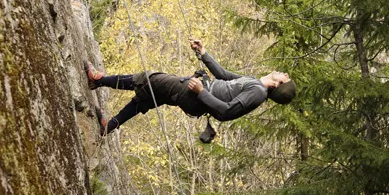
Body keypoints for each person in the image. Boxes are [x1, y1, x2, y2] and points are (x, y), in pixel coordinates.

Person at [86, 40, 296, 135]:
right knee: (151, 95)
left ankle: (98, 80)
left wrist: (201, 92)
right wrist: (202, 53)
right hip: (195, 94)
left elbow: (227, 112)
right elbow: (223, 75)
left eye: (285, 78)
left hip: (195, 95)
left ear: (278, 85)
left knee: (151, 79)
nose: (285, 74)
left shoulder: (257, 93)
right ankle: (110, 126)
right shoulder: (255, 83)